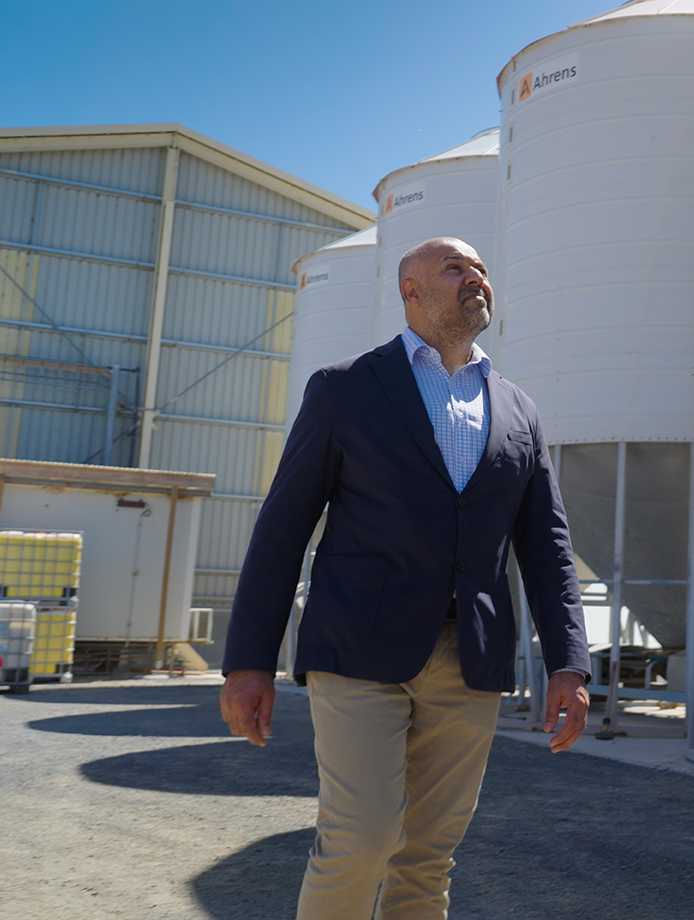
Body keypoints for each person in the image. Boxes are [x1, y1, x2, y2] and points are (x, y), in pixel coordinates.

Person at [218, 236, 591, 919]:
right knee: (360, 837)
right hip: (358, 647)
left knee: (427, 853)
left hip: (471, 658)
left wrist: (569, 663)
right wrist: (247, 661)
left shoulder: (518, 409)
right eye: (455, 267)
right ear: (410, 290)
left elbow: (547, 545)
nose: (475, 277)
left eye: (481, 268)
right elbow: (282, 527)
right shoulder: (345, 387)